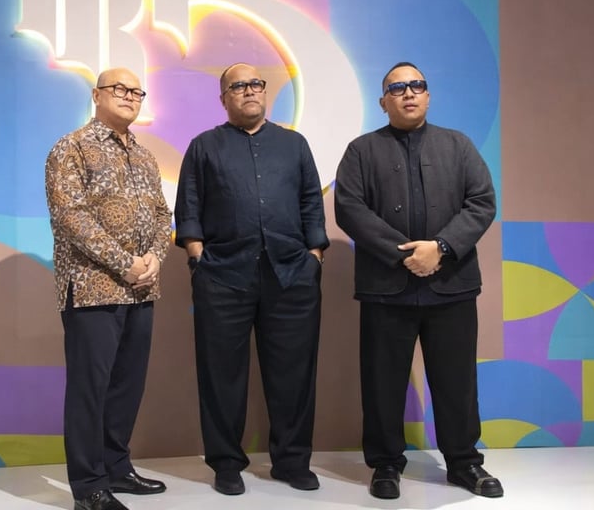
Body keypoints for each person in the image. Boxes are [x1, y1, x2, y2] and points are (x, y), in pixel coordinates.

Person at [334, 62, 503, 500]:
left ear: (428, 96)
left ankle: (464, 462)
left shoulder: (458, 145)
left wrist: (441, 248)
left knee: (456, 381)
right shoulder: (361, 151)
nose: (408, 93)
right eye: (398, 88)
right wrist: (405, 255)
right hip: (385, 287)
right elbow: (349, 208)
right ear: (383, 101)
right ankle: (386, 464)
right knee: (382, 383)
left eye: (417, 85)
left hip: (452, 285)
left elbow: (482, 202)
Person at [174, 62, 329, 496]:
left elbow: (311, 203)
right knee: (221, 376)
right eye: (238, 85)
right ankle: (226, 464)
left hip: (292, 275)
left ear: (265, 92)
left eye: (256, 84)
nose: (249, 90)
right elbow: (188, 206)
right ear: (224, 97)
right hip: (222, 276)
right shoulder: (203, 147)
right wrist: (197, 258)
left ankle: (292, 461)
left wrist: (314, 257)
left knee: (294, 375)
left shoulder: (294, 144)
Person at [45, 68, 172, 510]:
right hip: (91, 288)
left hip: (141, 290)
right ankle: (88, 487)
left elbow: (162, 214)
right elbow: (71, 217)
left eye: (137, 91)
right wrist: (126, 263)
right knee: (90, 389)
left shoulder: (145, 156)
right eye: (119, 88)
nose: (130, 96)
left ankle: (117, 469)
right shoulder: (71, 147)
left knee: (127, 387)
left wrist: (154, 257)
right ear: (97, 95)